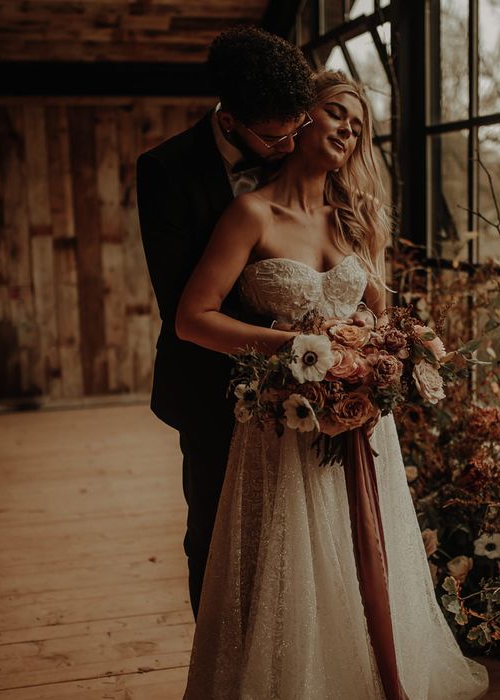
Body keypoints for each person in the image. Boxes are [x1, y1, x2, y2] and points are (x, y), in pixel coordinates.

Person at [176, 70, 489, 699]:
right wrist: (295, 347)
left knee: (362, 546)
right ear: (299, 119)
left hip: (361, 416)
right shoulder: (251, 212)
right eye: (336, 112)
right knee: (291, 562)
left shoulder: (355, 219)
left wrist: (397, 348)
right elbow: (193, 319)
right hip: (285, 416)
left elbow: (377, 313)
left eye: (359, 124)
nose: (348, 128)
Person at [136, 27, 315, 619]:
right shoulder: (166, 170)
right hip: (212, 383)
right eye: (275, 135)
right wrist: (292, 341)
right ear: (231, 118)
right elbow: (180, 304)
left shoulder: (300, 154)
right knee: (214, 538)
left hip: (307, 386)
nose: (290, 145)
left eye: (298, 129)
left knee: (294, 538)